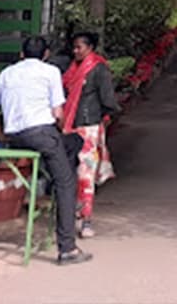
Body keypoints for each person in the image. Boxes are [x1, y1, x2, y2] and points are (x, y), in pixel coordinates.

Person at [0, 35, 91, 265]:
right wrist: (57, 131)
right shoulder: (50, 72)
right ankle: (67, 248)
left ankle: (58, 176)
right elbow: (58, 113)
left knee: (72, 144)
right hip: (42, 134)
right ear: (46, 55)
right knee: (66, 182)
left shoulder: (7, 73)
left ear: (22, 54)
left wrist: (1, 135)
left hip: (15, 136)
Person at [61, 32, 118, 240]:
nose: (76, 51)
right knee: (74, 175)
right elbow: (109, 102)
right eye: (74, 47)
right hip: (72, 127)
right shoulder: (72, 69)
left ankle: (86, 219)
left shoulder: (98, 68)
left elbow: (107, 99)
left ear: (91, 47)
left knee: (84, 176)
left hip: (87, 128)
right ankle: (76, 216)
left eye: (79, 47)